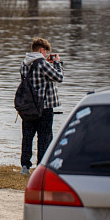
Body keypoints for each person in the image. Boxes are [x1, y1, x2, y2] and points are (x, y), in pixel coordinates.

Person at [19, 37, 64, 175]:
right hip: (44, 107)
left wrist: (46, 63)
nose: (46, 56)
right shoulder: (43, 64)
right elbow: (59, 77)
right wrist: (56, 63)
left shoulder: (24, 63)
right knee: (44, 138)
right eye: (46, 53)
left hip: (28, 107)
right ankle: (41, 167)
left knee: (27, 136)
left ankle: (25, 166)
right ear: (42, 50)